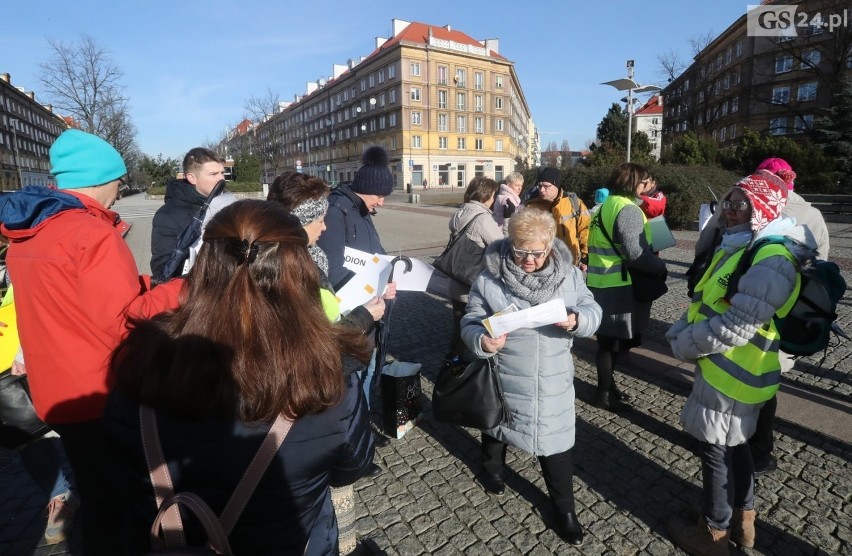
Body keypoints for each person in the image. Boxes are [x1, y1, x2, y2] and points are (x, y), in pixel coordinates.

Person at [104, 200, 375, 555]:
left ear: (203, 268)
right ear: (301, 272)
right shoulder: (328, 375)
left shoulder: (139, 362)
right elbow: (352, 466)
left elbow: (121, 468)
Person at [0, 129, 184, 553]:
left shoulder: (29, 233)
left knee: (97, 490)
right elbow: (125, 322)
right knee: (122, 505)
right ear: (102, 178)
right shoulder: (91, 233)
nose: (120, 191)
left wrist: (136, 284)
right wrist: (181, 289)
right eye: (119, 181)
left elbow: (65, 299)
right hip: (99, 391)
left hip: (55, 391)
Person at [665, 171, 816, 554]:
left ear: (763, 207)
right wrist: (685, 327)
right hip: (728, 369)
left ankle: (713, 534)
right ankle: (743, 523)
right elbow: (708, 299)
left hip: (734, 373)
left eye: (739, 204)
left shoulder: (771, 257)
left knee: (717, 454)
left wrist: (686, 344)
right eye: (727, 204)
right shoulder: (743, 245)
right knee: (736, 448)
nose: (728, 213)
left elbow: (736, 326)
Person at [461, 208, 601, 546]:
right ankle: (492, 468)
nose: (527, 259)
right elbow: (470, 318)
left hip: (552, 378)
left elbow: (593, 309)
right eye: (520, 250)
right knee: (496, 424)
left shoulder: (569, 276)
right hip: (504, 373)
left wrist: (577, 320)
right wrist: (482, 339)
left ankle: (564, 509)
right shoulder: (489, 278)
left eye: (536, 253)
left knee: (555, 443)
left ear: (550, 246)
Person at [267, 171, 390, 551]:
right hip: (324, 389)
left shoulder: (301, 257)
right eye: (318, 219)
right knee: (329, 498)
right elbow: (320, 342)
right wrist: (366, 317)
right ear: (299, 221)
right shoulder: (293, 271)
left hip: (323, 384)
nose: (325, 225)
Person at [690, 157, 829, 476]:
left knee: (733, 392)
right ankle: (759, 451)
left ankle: (734, 463)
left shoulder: (751, 212)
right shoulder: (812, 216)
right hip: (780, 323)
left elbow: (705, 241)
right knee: (765, 384)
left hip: (737, 330)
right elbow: (819, 262)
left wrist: (689, 339)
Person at [586, 162, 667, 412]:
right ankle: (603, 394)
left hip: (600, 281)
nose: (647, 186)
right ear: (632, 182)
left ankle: (607, 389)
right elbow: (636, 254)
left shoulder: (604, 206)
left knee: (605, 343)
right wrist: (660, 268)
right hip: (619, 285)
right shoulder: (628, 209)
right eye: (644, 182)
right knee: (611, 345)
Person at [442, 176, 503, 360]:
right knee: (473, 331)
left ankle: (453, 363)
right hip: (473, 286)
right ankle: (463, 371)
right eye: (493, 195)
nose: (494, 199)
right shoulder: (483, 218)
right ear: (486, 195)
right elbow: (500, 246)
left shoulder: (461, 211)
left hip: (456, 280)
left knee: (459, 324)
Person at [318, 145, 393, 291]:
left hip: (370, 298)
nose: (381, 203)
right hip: (355, 303)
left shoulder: (362, 208)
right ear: (366, 189)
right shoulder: (335, 212)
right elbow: (332, 271)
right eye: (379, 196)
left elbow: (376, 248)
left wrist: (390, 271)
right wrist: (377, 288)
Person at [150, 147, 231, 279]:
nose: (221, 179)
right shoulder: (168, 215)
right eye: (214, 174)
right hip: (196, 293)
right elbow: (162, 269)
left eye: (222, 173)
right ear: (192, 178)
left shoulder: (226, 204)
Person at [525, 166, 590, 270]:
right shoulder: (531, 207)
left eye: (546, 186)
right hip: (542, 266)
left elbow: (585, 229)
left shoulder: (574, 203)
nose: (541, 190)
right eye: (539, 186)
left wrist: (585, 257)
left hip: (571, 264)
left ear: (556, 185)